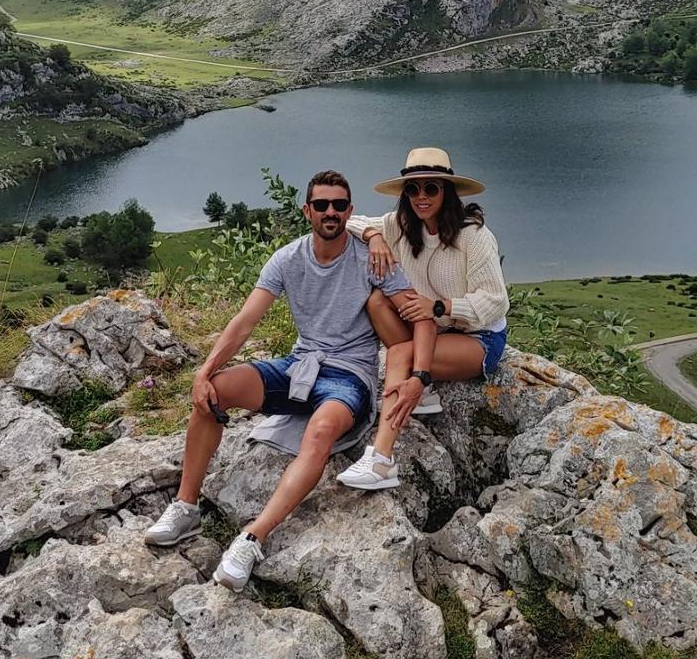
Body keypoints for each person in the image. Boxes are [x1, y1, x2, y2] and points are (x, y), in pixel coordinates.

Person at [143, 170, 437, 591]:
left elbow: (419, 315)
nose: (330, 212)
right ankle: (186, 506)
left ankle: (251, 539)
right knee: (215, 394)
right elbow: (244, 322)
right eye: (321, 205)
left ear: (350, 212)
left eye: (339, 205)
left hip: (349, 377)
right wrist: (204, 373)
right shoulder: (288, 258)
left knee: (318, 433)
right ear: (308, 211)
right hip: (300, 364)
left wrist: (419, 376)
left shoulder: (372, 260)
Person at [336, 147, 509, 491]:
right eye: (412, 189)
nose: (421, 197)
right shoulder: (399, 227)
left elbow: (495, 301)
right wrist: (373, 237)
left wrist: (440, 308)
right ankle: (422, 383)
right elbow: (348, 221)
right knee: (376, 300)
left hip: (478, 338)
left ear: (448, 192)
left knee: (400, 354)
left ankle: (382, 459)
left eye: (431, 188)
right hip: (428, 332)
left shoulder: (473, 237)